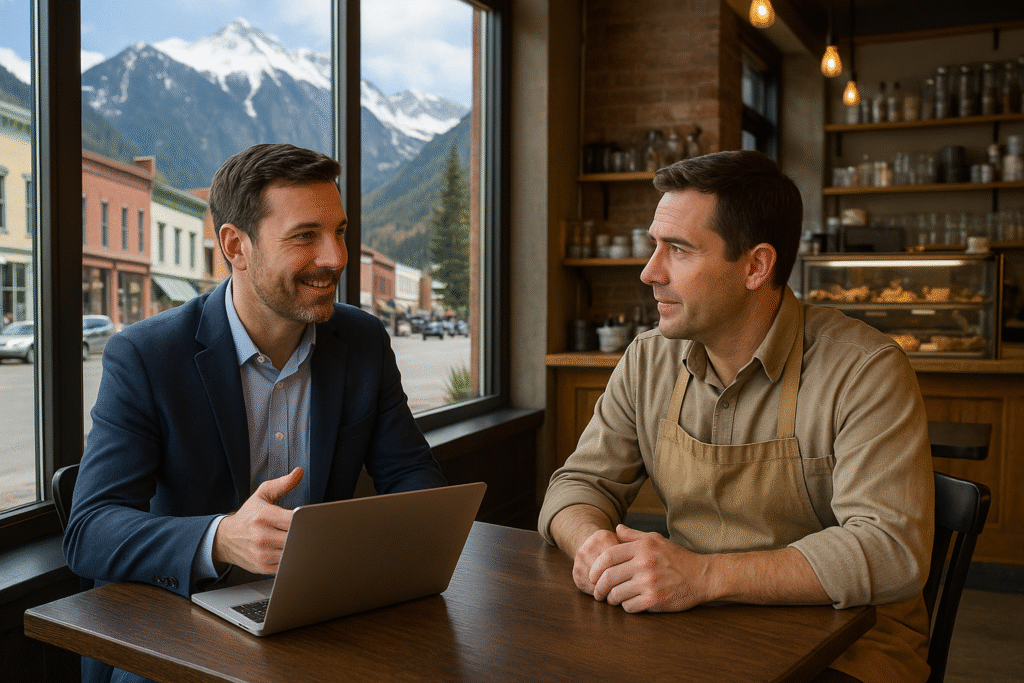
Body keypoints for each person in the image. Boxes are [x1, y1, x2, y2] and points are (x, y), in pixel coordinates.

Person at [538, 150, 934, 683]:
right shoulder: (648, 358)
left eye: (677, 249)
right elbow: (577, 486)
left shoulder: (866, 370)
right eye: (654, 246)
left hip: (850, 649)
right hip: (697, 632)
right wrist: (592, 546)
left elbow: (890, 551)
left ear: (756, 266)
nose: (649, 271)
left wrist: (703, 575)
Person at [64, 143, 447, 683]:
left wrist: (388, 546)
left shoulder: (362, 340)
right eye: (304, 236)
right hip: (180, 624)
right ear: (234, 246)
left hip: (317, 617)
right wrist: (221, 538)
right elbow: (90, 531)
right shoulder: (148, 356)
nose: (335, 257)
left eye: (338, 231)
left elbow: (413, 476)